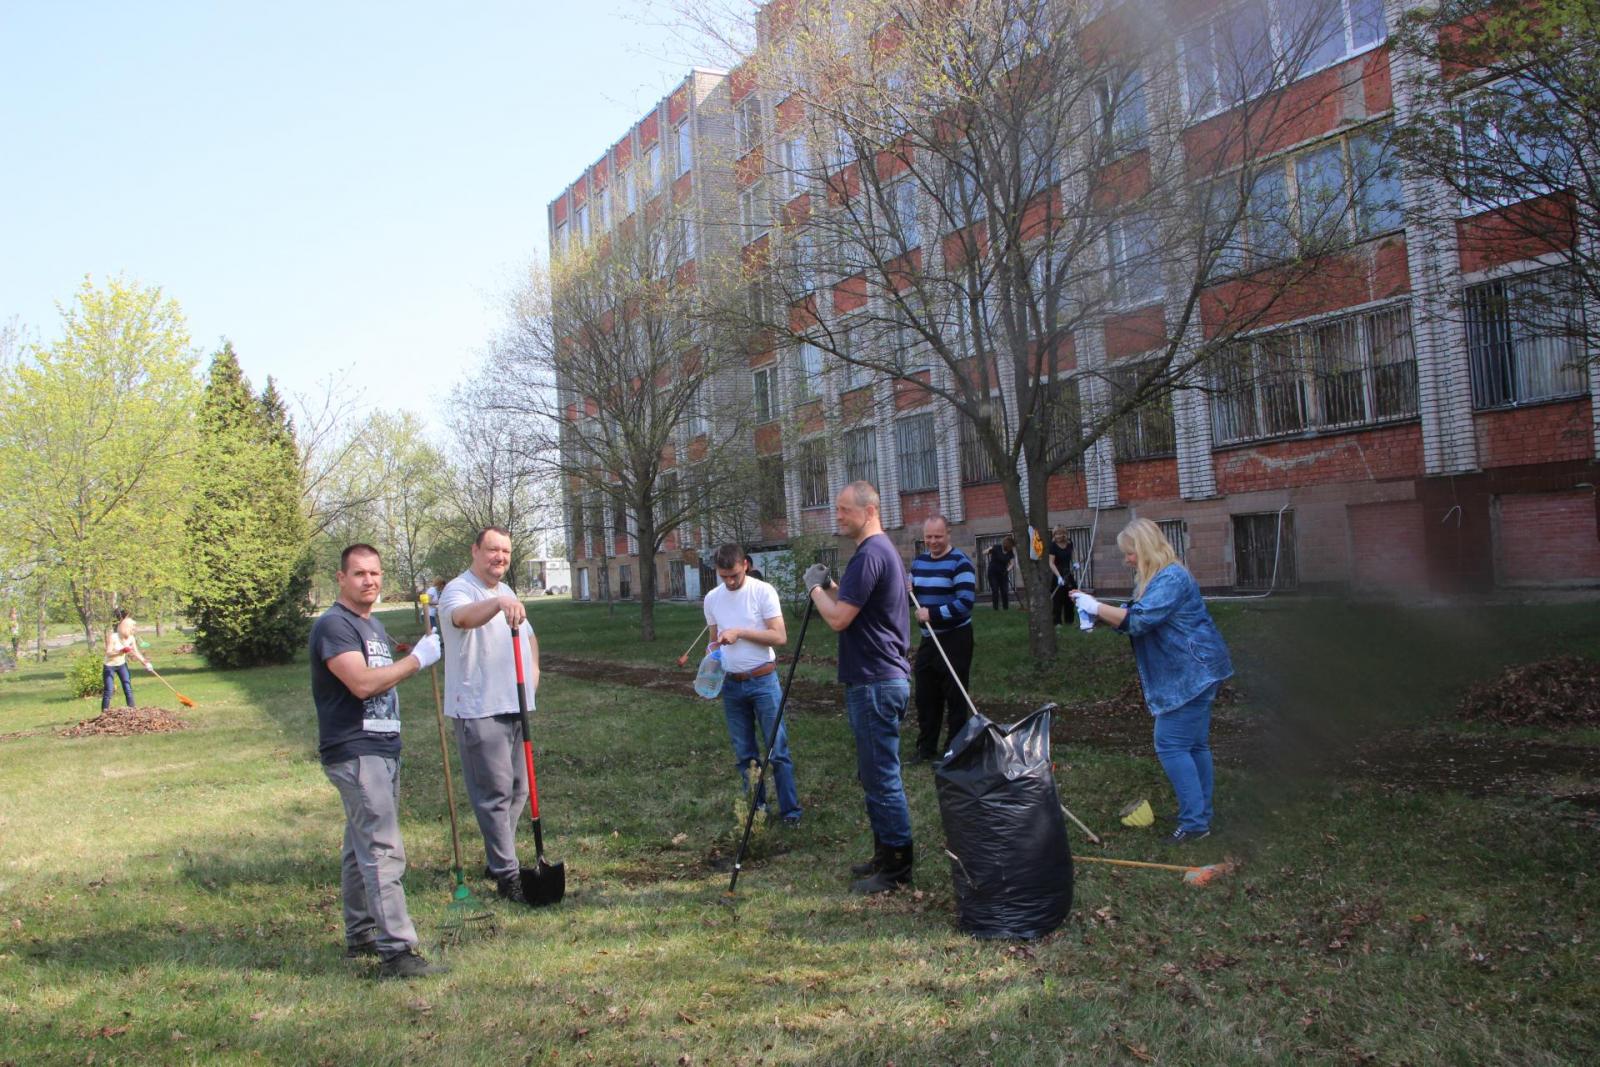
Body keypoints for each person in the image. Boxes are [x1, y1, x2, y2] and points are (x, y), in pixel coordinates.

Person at [310, 543, 446, 978]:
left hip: (383, 748)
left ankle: (361, 932)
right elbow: (363, 684)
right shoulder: (334, 625)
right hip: (355, 749)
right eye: (359, 574)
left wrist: (412, 649)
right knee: (383, 846)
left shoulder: (372, 625)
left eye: (375, 573)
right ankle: (397, 951)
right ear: (341, 579)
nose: (369, 580)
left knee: (360, 845)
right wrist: (417, 660)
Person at [1070, 519, 1232, 843]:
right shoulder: (1160, 577)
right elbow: (1138, 614)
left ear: (1143, 549)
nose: (1127, 559)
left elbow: (1141, 619)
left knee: (1171, 744)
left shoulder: (1171, 577)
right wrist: (1097, 614)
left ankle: (1195, 824)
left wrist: (1097, 606)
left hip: (1190, 673)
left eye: (1130, 553)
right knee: (1194, 745)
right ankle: (1199, 813)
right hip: (1195, 670)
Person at [804, 481, 914, 894]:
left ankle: (897, 868)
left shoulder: (871, 555)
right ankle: (884, 854)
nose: (839, 517)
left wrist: (814, 589)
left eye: (844, 510)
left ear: (869, 511)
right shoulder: (879, 552)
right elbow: (854, 603)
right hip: (878, 678)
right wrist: (832, 585)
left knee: (882, 777)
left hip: (875, 681)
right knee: (873, 775)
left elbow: (838, 620)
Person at [439, 526, 539, 903]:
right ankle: (507, 875)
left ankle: (500, 856)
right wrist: (497, 605)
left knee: (519, 790)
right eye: (493, 550)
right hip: (479, 707)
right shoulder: (459, 590)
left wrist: (534, 675)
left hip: (514, 703)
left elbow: (528, 636)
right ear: (476, 551)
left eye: (506, 553)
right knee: (494, 793)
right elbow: (462, 619)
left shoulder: (507, 591)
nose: (500, 557)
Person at [703, 543, 800, 824]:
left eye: (734, 575)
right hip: (732, 686)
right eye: (724, 577)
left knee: (777, 750)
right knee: (745, 754)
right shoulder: (712, 599)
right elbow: (713, 641)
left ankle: (791, 813)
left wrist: (741, 633)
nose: (730, 581)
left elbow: (779, 636)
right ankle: (757, 812)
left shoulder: (762, 591)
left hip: (763, 680)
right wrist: (710, 661)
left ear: (745, 564)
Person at [908, 515, 977, 763]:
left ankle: (954, 752)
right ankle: (926, 749)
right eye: (928, 537)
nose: (933, 541)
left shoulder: (960, 563)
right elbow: (912, 596)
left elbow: (966, 603)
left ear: (948, 534)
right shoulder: (919, 563)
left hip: (955, 638)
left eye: (938, 536)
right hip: (930, 640)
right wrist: (907, 589)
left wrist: (933, 614)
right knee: (925, 696)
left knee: (955, 696)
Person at [102, 609, 152, 711]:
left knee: (127, 686)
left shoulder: (131, 638)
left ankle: (132, 710)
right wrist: (121, 651)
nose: (134, 629)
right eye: (132, 628)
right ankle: (104, 712)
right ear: (126, 627)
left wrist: (145, 663)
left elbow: (136, 652)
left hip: (121, 665)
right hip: (109, 666)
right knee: (109, 689)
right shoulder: (113, 637)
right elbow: (108, 653)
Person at [1047, 526, 1077, 626]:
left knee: (1070, 597)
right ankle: (1057, 622)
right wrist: (1058, 577)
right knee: (1057, 600)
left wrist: (1075, 562)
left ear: (1064, 534)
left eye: (1060, 533)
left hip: (1068, 573)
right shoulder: (1053, 546)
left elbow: (1073, 553)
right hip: (1058, 574)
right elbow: (1051, 563)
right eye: (1056, 534)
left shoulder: (1069, 543)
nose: (1058, 536)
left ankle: (1069, 621)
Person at [985, 535, 1017, 610]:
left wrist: (1007, 570)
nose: (1012, 548)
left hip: (1003, 574)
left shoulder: (1010, 552)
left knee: (1005, 591)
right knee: (995, 590)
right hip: (993, 573)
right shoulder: (997, 547)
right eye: (1011, 546)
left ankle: (1005, 608)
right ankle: (995, 609)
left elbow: (1012, 564)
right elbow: (984, 552)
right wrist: (989, 549)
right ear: (1007, 544)